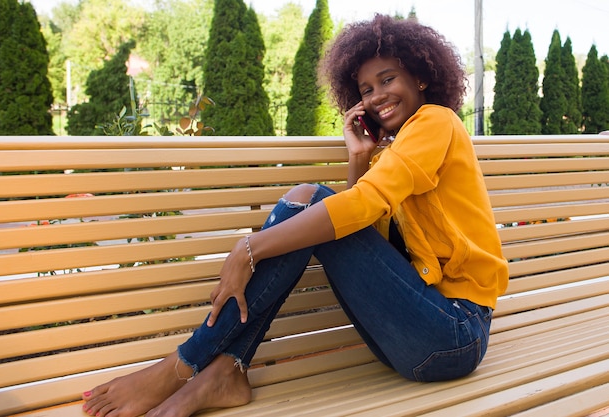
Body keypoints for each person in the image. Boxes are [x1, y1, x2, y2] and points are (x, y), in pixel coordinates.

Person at [82, 14, 509, 417]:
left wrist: (248, 248)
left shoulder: (437, 122)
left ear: (421, 76)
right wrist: (359, 159)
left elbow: (358, 209)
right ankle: (224, 368)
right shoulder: (388, 156)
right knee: (310, 203)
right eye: (365, 90)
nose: (377, 96)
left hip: (454, 332)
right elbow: (368, 240)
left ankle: (186, 364)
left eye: (387, 79)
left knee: (308, 199)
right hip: (412, 339)